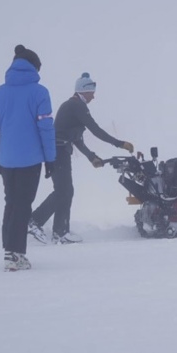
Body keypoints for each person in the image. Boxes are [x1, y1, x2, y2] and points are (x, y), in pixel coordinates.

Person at [29, 73, 134, 245]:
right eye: (91, 92)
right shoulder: (76, 106)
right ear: (83, 91)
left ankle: (60, 232)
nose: (94, 96)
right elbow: (95, 129)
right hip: (58, 151)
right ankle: (34, 221)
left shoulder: (73, 106)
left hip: (59, 150)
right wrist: (119, 143)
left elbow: (76, 138)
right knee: (63, 191)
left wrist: (91, 157)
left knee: (66, 191)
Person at [0, 44, 57, 271]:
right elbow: (46, 128)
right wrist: (50, 159)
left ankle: (9, 250)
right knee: (23, 205)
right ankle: (15, 255)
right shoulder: (39, 92)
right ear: (34, 68)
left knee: (12, 202)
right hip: (30, 160)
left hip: (6, 160)